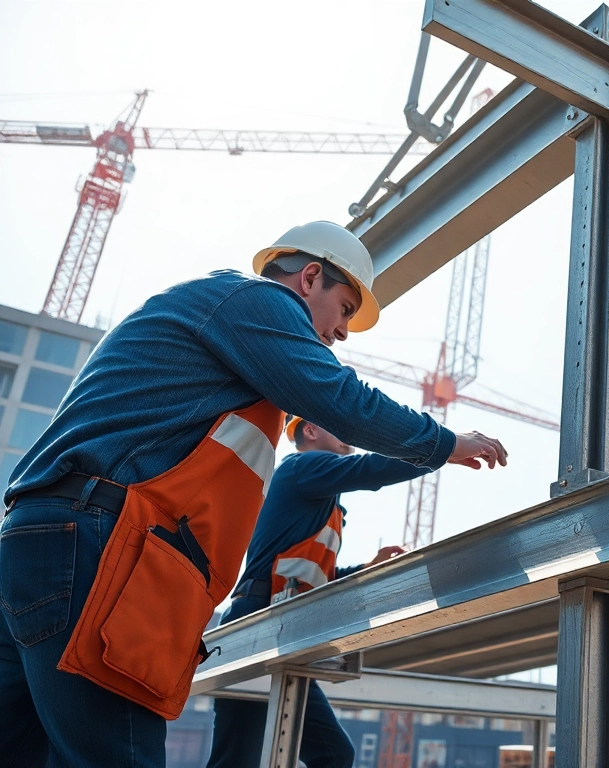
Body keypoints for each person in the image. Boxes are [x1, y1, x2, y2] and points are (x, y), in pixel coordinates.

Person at [0, 221, 507, 768]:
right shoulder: (260, 303)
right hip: (94, 542)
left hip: (46, 537)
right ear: (310, 278)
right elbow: (340, 398)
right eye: (342, 309)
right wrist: (445, 442)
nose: (339, 334)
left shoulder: (215, 321)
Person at [206, 417, 431, 768]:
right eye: (339, 425)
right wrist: (437, 450)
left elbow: (315, 575)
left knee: (330, 754)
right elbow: (368, 469)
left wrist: (365, 569)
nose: (351, 432)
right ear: (310, 431)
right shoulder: (301, 468)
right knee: (241, 758)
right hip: (260, 619)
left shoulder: (319, 495)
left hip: (286, 625)